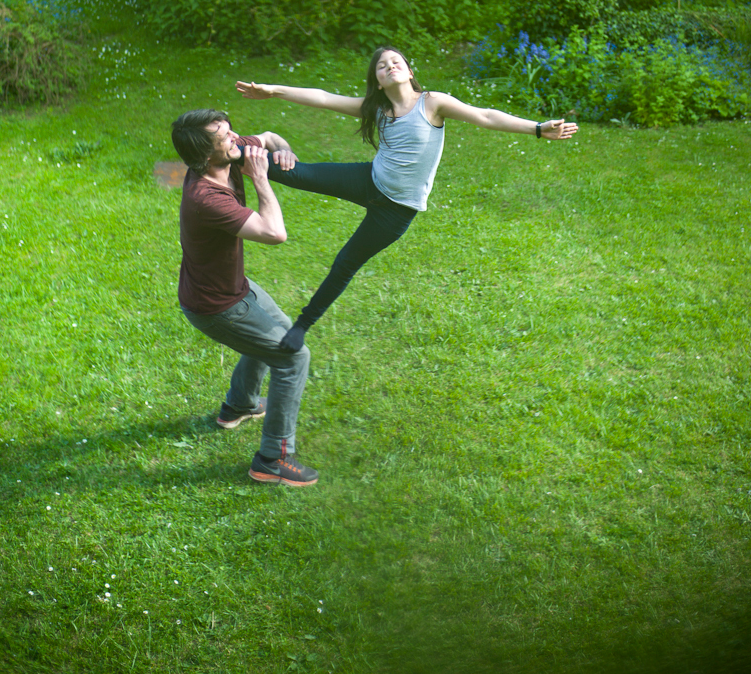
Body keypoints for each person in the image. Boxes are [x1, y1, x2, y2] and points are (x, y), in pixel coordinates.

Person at [235, 45, 578, 353]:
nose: (390, 66)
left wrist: (536, 128)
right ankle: (231, 152)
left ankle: (301, 326)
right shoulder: (376, 108)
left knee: (345, 263)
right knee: (296, 174)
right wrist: (273, 90)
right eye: (382, 66)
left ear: (410, 71)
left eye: (396, 61)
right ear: (378, 82)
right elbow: (324, 98)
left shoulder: (433, 102)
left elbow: (485, 115)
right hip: (368, 180)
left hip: (397, 211)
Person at [170, 108, 319, 487]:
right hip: (216, 307)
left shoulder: (229, 154)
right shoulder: (206, 197)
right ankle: (272, 459)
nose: (235, 138)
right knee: (293, 357)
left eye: (230, 129)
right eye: (224, 136)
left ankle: (239, 405)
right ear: (205, 155)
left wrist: (283, 151)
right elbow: (275, 233)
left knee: (278, 335)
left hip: (233, 288)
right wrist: (260, 178)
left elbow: (268, 136)